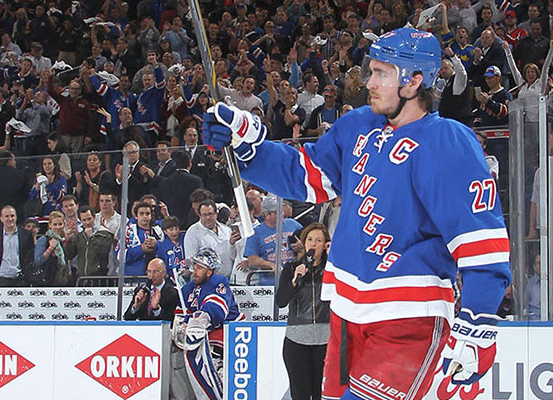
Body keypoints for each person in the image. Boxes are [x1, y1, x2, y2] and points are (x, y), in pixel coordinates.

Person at [203, 27, 510, 397]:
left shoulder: (448, 143)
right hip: (347, 313)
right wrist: (247, 146)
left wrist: (476, 322)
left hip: (408, 319)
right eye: (371, 70)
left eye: (382, 73)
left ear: (414, 81)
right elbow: (307, 176)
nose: (369, 81)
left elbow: (481, 244)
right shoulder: (360, 125)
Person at [176, 247, 242, 400]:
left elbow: (216, 309)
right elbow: (180, 314)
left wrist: (200, 319)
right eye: (194, 266)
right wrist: (181, 325)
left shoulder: (218, 282)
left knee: (214, 361)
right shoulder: (188, 289)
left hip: (228, 330)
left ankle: (223, 388)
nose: (195, 271)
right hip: (203, 335)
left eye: (199, 267)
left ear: (209, 271)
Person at [275, 223, 331, 400]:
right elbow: (281, 301)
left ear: (325, 245)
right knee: (300, 394)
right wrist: (294, 280)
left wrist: (334, 260)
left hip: (325, 340)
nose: (313, 244)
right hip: (296, 340)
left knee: (321, 394)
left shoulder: (332, 270)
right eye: (310, 239)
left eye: (319, 240)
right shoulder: (292, 268)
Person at [244, 196, 303, 285]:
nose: (282, 214)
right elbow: (252, 259)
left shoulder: (293, 224)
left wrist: (302, 246)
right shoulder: (255, 233)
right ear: (267, 215)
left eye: (282, 210)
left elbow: (308, 239)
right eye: (278, 212)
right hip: (269, 283)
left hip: (293, 278)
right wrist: (271, 265)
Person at [183, 199, 236, 278]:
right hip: (206, 281)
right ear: (199, 215)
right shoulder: (193, 232)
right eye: (204, 214)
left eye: (210, 214)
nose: (208, 217)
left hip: (228, 280)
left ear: (216, 213)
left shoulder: (226, 230)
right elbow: (191, 261)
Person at [64, 206, 113, 278]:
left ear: (94, 217)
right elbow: (68, 255)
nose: (87, 222)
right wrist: (68, 240)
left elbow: (103, 253)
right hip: (82, 278)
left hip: (98, 278)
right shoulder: (79, 236)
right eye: (84, 220)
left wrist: (91, 238)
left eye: (89, 219)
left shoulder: (105, 235)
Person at [0, 205, 34, 287]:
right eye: (7, 216)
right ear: (1, 219)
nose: (10, 219)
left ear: (16, 217)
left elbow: (29, 256)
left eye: (12, 216)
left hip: (20, 279)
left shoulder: (26, 234)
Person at [123, 202, 164, 277]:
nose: (145, 216)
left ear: (151, 216)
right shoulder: (128, 231)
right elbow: (120, 256)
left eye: (147, 214)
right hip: (133, 278)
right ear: (136, 216)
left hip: (155, 278)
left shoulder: (158, 231)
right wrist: (141, 249)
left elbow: (166, 252)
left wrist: (157, 245)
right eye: (141, 214)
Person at [33, 211, 70, 286]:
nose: (58, 227)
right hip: (46, 281)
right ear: (50, 225)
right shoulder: (43, 239)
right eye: (55, 224)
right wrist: (51, 248)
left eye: (60, 224)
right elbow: (38, 261)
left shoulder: (63, 240)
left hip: (61, 281)